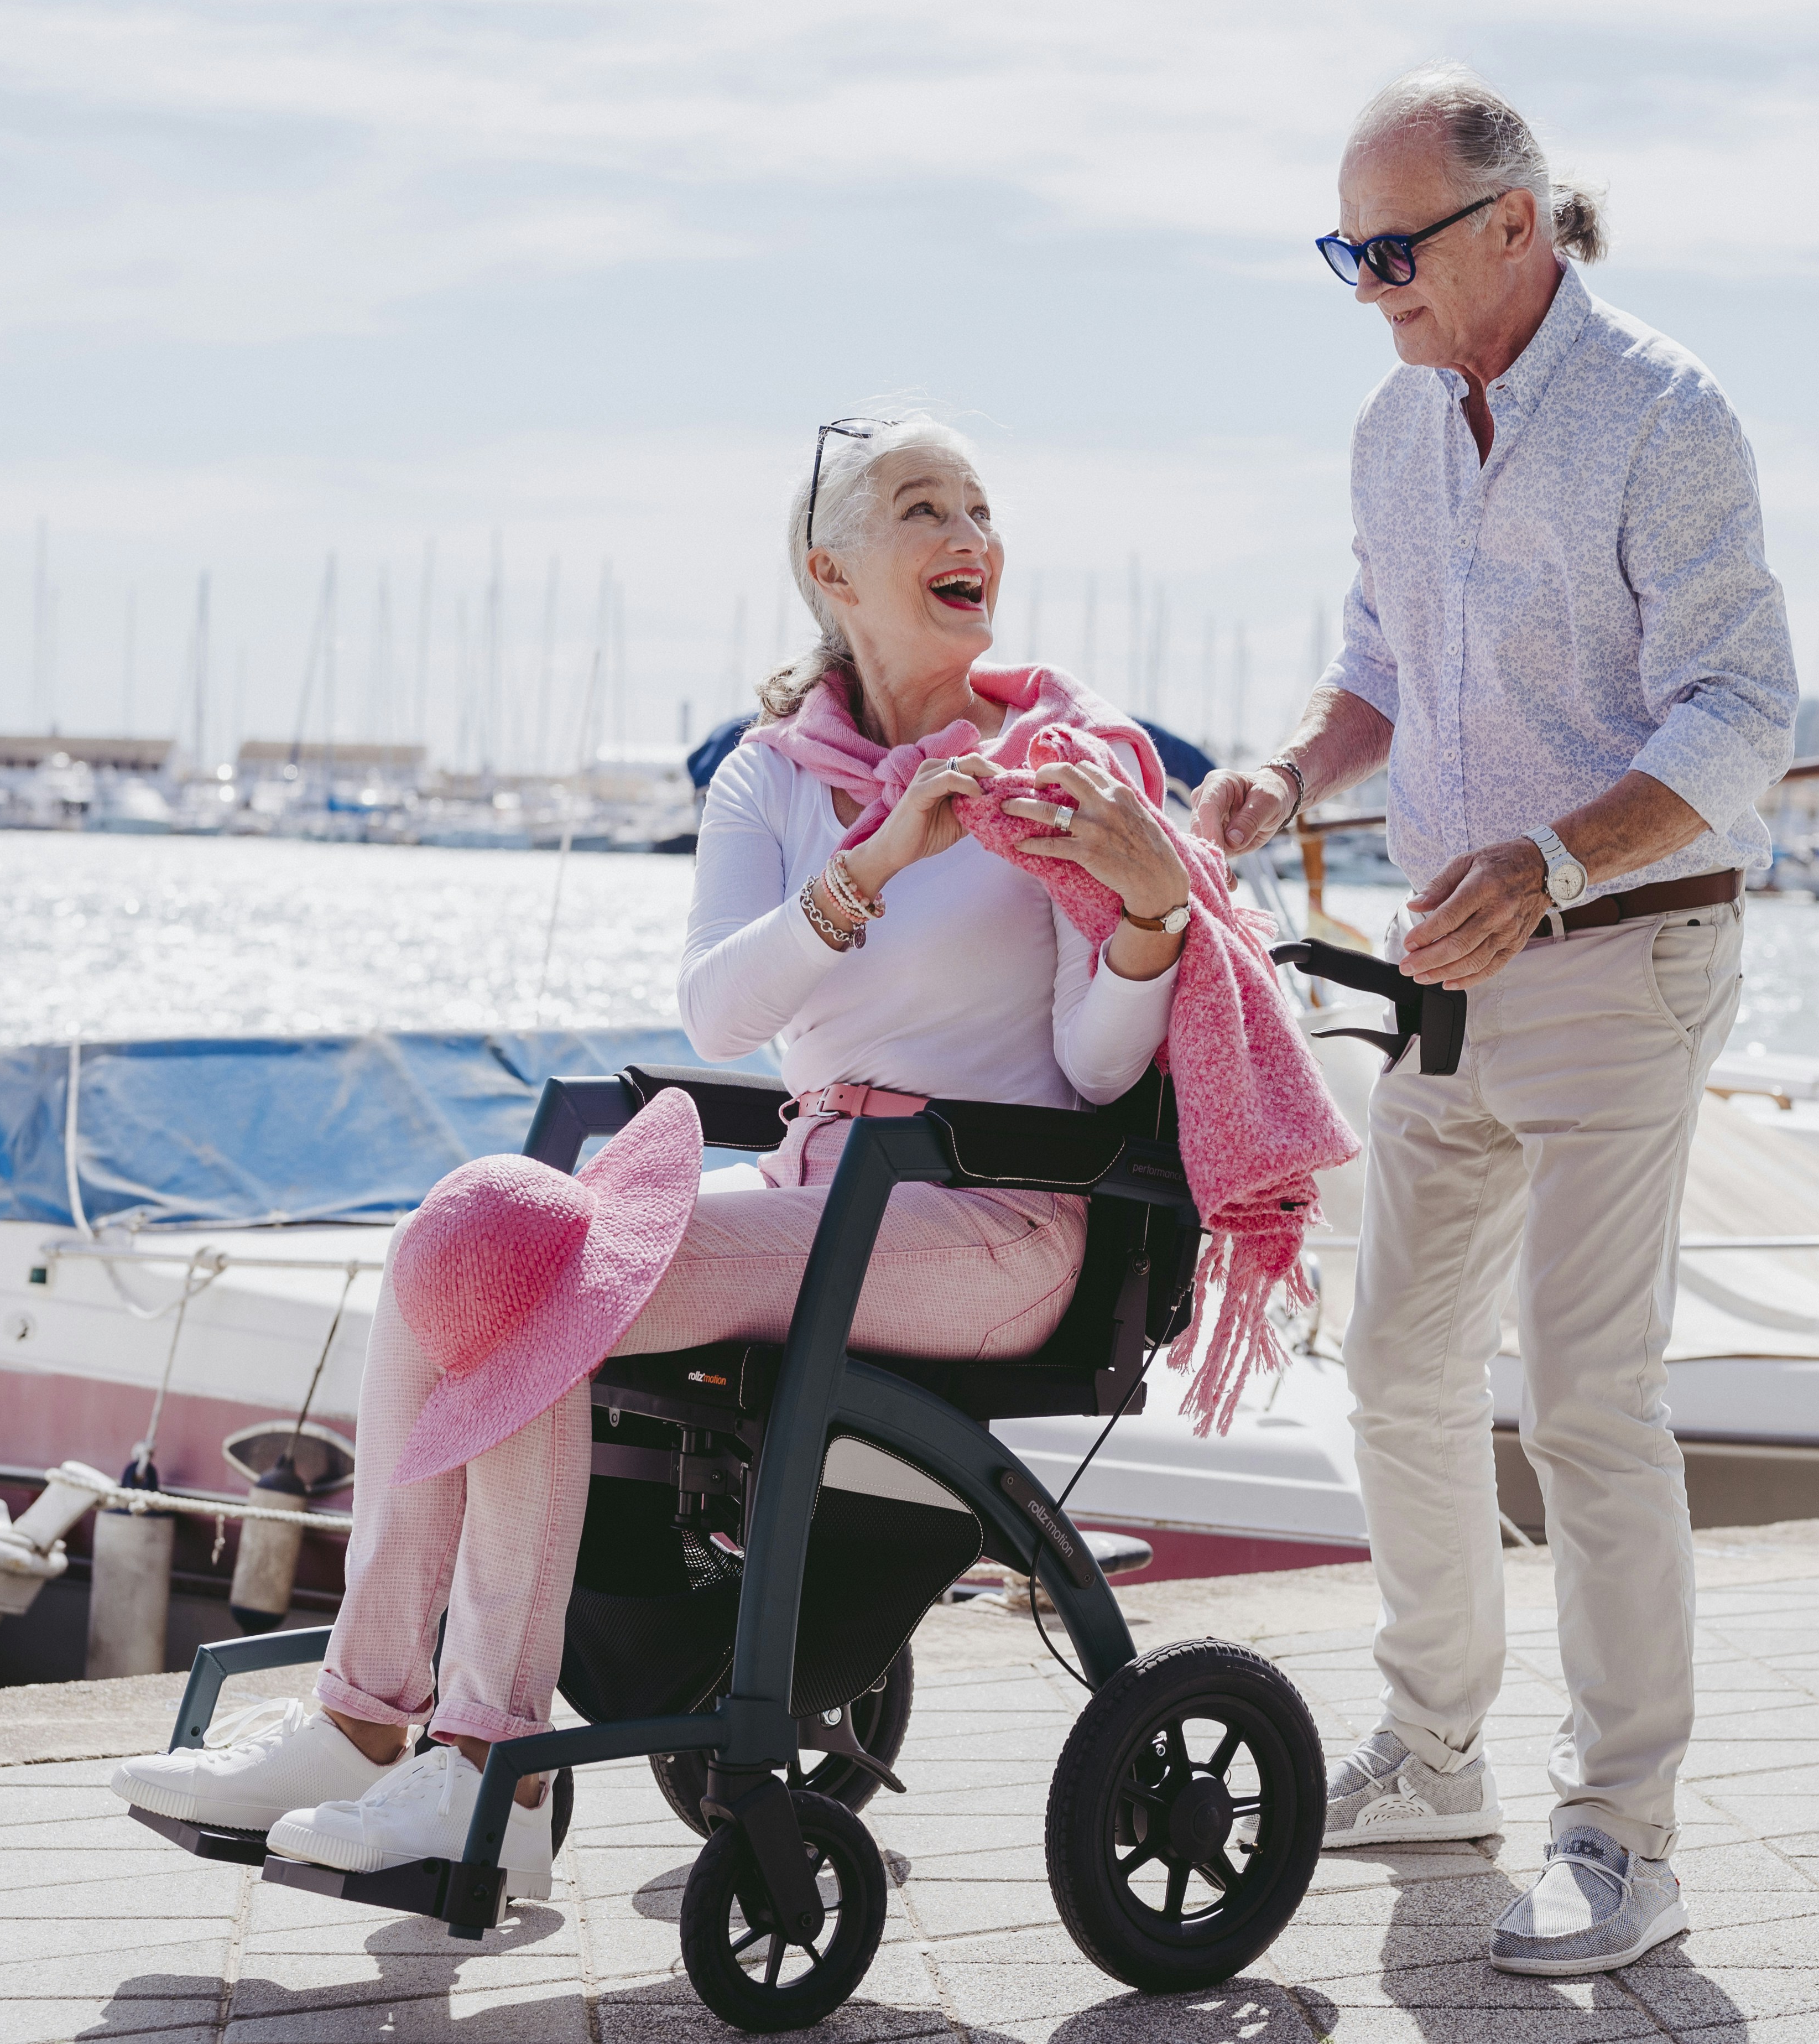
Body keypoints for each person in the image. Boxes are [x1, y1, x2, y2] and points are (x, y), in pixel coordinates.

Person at [107, 414, 1196, 1893]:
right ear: (831, 570)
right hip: (823, 1192)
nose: (969, 535)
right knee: (455, 1252)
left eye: (982, 509)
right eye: (922, 508)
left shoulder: (1067, 764)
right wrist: (874, 862)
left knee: (540, 1270)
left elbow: (1093, 1068)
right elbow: (718, 1009)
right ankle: (369, 1726)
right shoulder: (774, 779)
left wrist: (1149, 913)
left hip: (995, 1229)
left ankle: (481, 1771)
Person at [1196, 66, 1797, 1977]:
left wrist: (1547, 860)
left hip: (1624, 960)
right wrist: (1285, 777)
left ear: (1512, 225)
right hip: (1444, 986)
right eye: (1342, 252)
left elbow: (1738, 718)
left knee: (1593, 1400)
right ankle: (1435, 1748)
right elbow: (1376, 666)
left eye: (1392, 248)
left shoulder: (1663, 416)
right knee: (1393, 1373)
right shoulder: (1391, 428)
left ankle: (1623, 1834)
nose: (1367, 284)